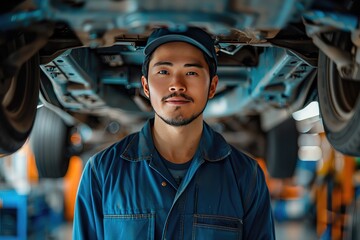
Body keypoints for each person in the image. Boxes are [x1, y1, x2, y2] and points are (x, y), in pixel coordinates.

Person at [73, 27, 275, 239]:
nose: (176, 85)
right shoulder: (102, 173)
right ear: (146, 85)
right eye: (163, 72)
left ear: (213, 86)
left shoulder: (245, 176)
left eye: (191, 72)